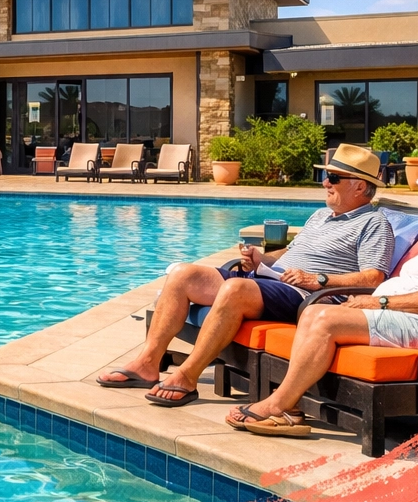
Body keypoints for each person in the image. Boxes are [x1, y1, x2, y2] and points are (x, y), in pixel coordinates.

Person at [96, 143, 394, 405]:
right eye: (325, 176)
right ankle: (148, 363)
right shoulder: (321, 216)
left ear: (358, 186)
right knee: (183, 274)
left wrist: (318, 280)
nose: (325, 183)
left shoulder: (374, 224)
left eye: (333, 178)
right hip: (274, 281)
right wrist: (261, 258)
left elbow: (373, 278)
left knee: (235, 289)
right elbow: (290, 254)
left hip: (308, 295)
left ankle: (187, 377)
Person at [229, 161, 418, 437]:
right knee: (314, 312)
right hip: (414, 318)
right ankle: (291, 408)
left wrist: (378, 302)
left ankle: (278, 406)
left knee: (324, 319)